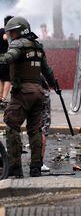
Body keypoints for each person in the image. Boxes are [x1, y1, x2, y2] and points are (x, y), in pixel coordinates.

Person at [0, 16, 57, 178]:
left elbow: (7, 59)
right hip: (39, 92)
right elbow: (47, 71)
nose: (10, 36)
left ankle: (15, 167)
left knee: (11, 125)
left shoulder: (18, 44)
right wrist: (55, 85)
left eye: (11, 32)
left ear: (19, 31)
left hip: (23, 92)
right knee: (35, 130)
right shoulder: (38, 46)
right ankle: (36, 168)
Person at [0, 15, 13, 109]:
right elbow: (5, 37)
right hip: (4, 58)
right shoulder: (6, 32)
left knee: (1, 79)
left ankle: (1, 98)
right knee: (7, 78)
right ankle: (3, 99)